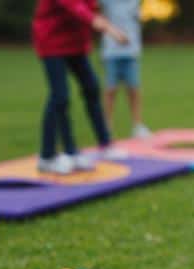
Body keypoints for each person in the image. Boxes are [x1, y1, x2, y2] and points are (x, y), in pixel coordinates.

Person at [32, 0, 128, 174]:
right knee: (59, 97)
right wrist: (110, 29)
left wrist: (100, 20)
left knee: (91, 88)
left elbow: (90, 7)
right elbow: (76, 7)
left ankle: (105, 145)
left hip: (75, 44)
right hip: (51, 42)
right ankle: (49, 157)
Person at [101, 0, 152, 139]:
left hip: (131, 50)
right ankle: (106, 127)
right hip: (111, 51)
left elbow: (140, 16)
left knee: (134, 89)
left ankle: (137, 126)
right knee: (110, 90)